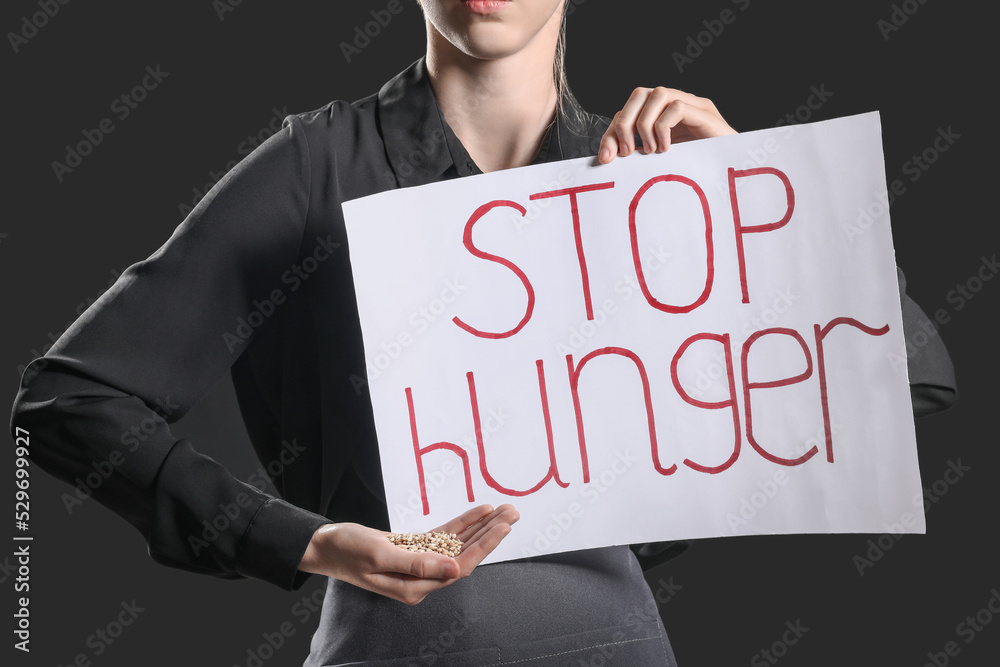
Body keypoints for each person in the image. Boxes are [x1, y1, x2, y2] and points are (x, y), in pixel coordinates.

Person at [10, 1, 956, 665]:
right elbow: (67, 399)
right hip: (392, 647)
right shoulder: (316, 166)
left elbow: (903, 379)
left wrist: (760, 190)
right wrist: (310, 541)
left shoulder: (658, 180)